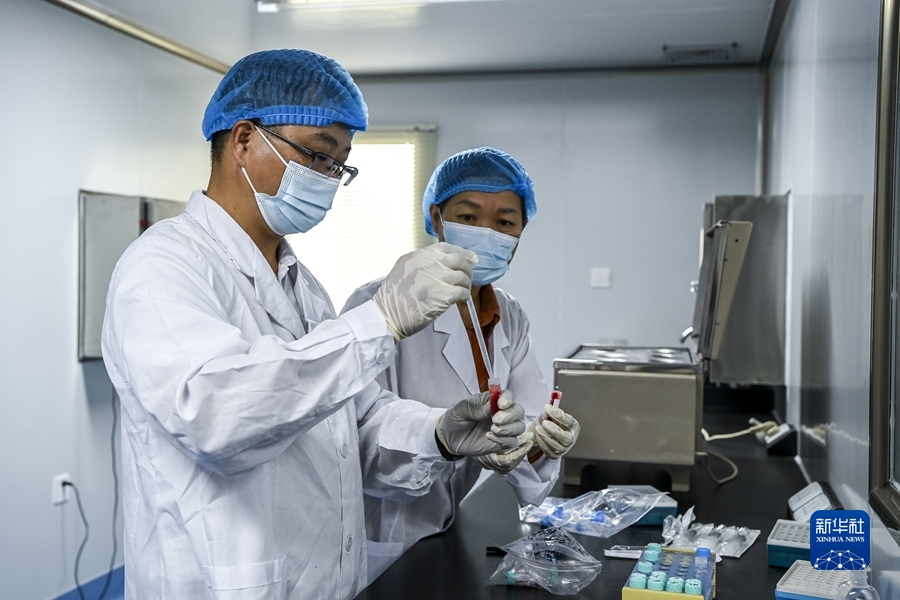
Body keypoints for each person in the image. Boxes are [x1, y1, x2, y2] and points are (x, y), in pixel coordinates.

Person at [101, 51, 528, 600]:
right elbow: (216, 416)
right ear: (244, 140)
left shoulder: (303, 286)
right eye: (319, 155)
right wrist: (379, 321)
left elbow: (351, 424)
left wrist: (439, 433)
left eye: (339, 165)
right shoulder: (163, 264)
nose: (329, 179)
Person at [343, 147, 582, 582]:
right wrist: (442, 438)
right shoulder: (380, 304)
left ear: (521, 232)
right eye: (469, 217)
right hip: (381, 536)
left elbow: (528, 419)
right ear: (436, 218)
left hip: (450, 526)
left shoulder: (509, 314)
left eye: (505, 222)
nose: (487, 233)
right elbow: (355, 440)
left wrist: (540, 443)